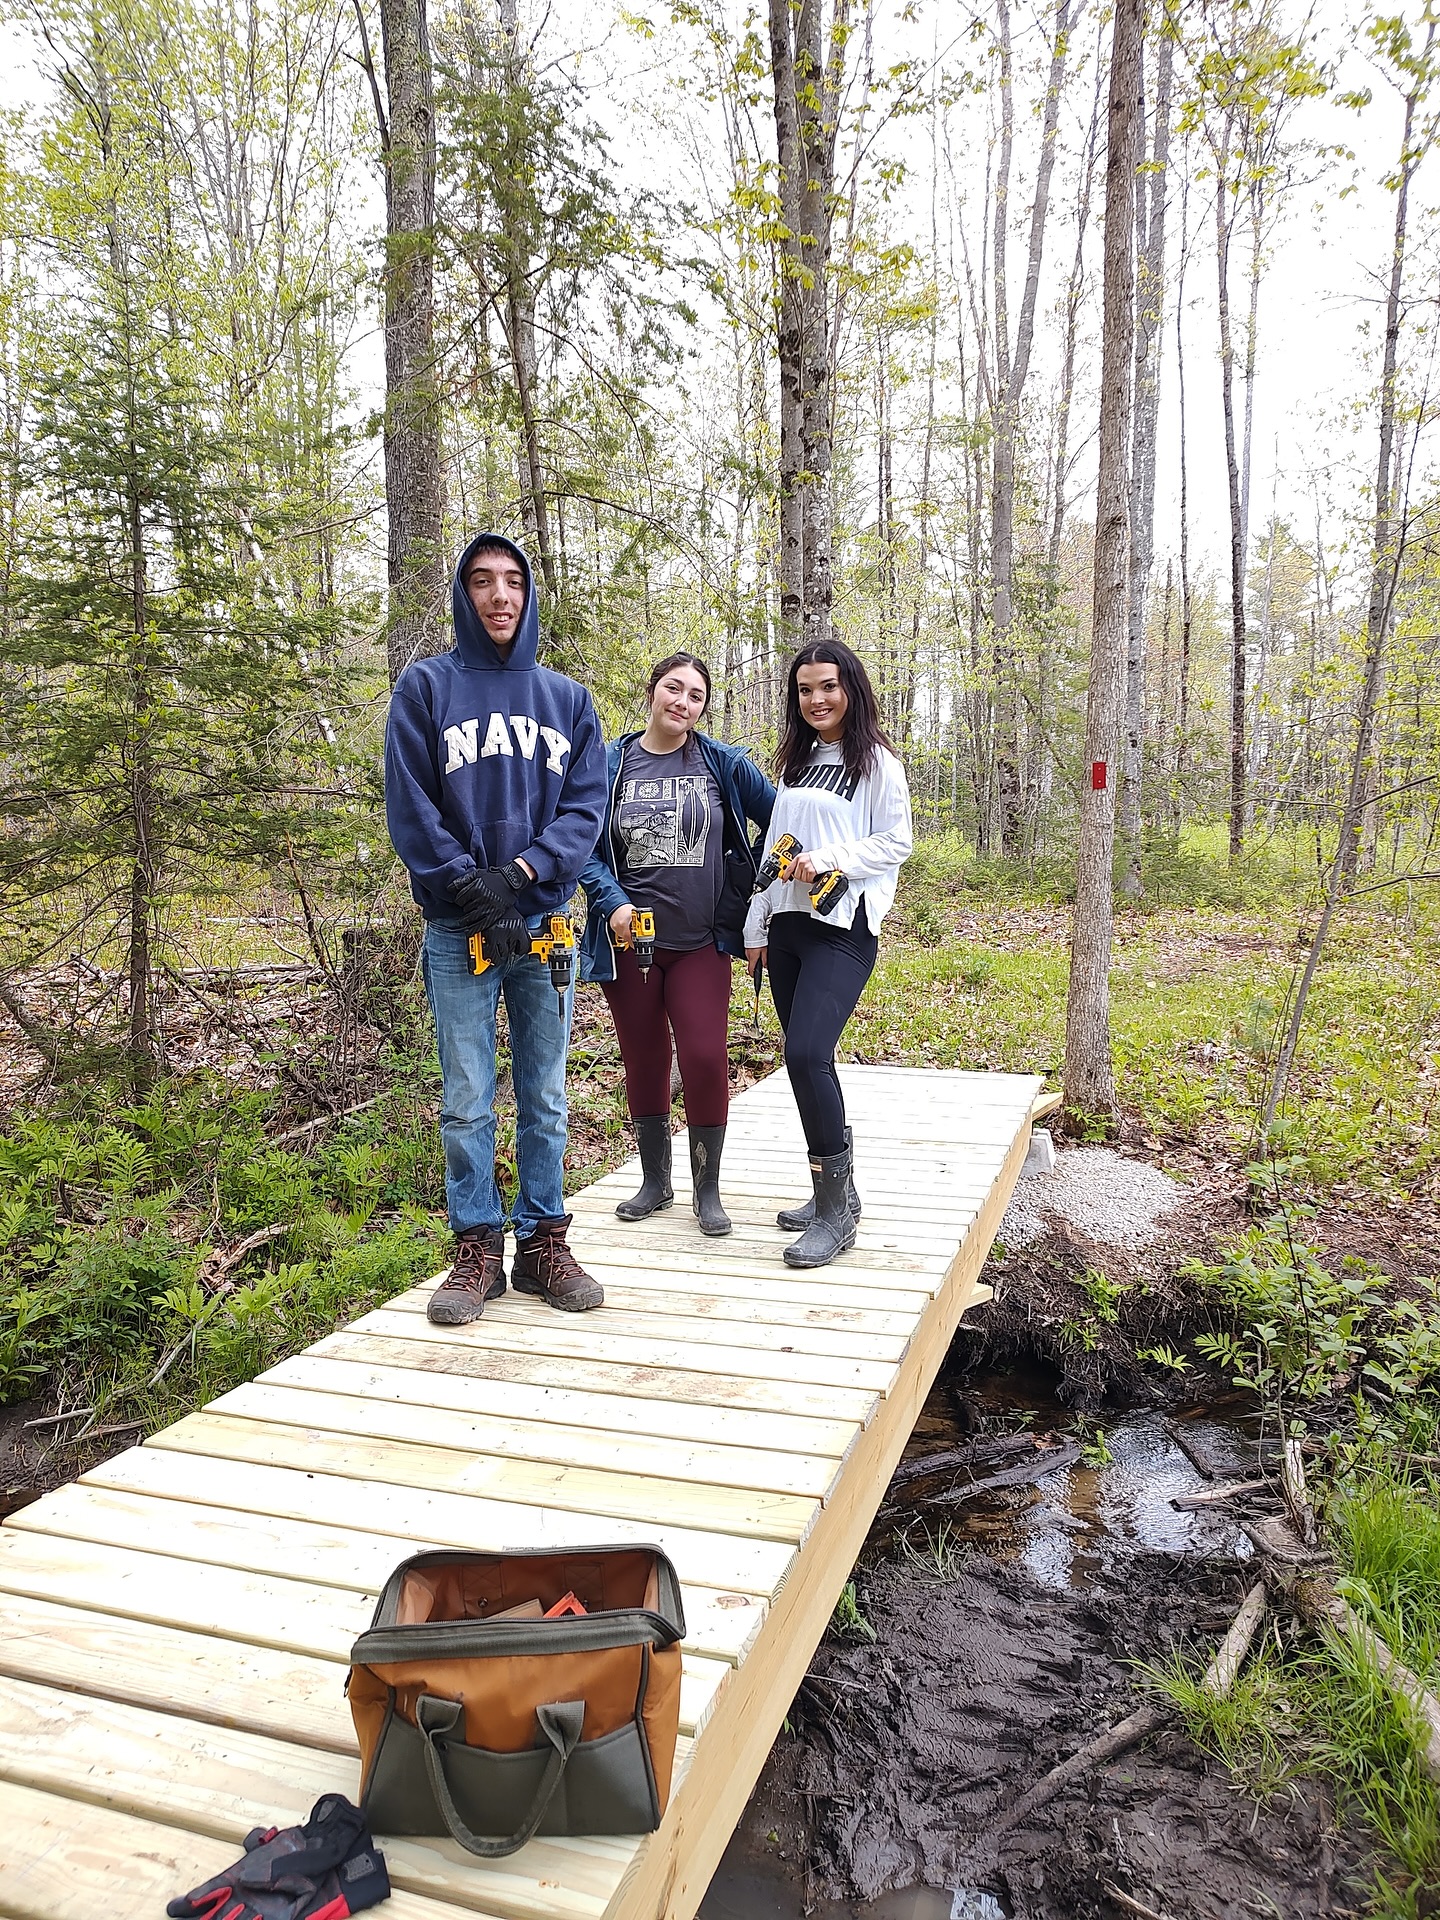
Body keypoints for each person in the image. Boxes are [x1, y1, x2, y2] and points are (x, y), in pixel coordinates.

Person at [385, 533, 609, 1324]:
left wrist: (515, 880)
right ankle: (476, 1248)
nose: (499, 596)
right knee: (468, 1095)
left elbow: (585, 811)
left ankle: (544, 1239)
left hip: (543, 931)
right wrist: (468, 888)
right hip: (458, 931)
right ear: (462, 594)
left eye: (512, 581)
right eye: (482, 582)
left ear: (529, 594)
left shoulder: (567, 701)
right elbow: (409, 806)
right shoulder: (425, 689)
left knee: (545, 1093)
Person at [580, 653, 775, 1236]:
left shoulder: (724, 764)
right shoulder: (611, 765)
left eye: (695, 695)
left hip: (701, 943)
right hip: (630, 945)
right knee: (644, 1059)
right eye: (673, 688)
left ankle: (706, 1190)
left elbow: (781, 820)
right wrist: (611, 901)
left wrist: (756, 892)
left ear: (702, 707)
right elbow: (581, 847)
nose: (682, 702)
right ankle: (654, 1181)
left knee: (705, 1055)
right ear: (653, 690)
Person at [744, 639, 913, 1269]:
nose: (817, 699)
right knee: (805, 1064)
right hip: (788, 925)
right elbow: (776, 847)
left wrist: (833, 859)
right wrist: (756, 925)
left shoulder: (877, 764)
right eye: (805, 689)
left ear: (852, 690)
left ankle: (838, 1214)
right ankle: (830, 1193)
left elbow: (897, 841)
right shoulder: (796, 761)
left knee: (807, 1052)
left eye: (828, 687)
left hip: (843, 925)